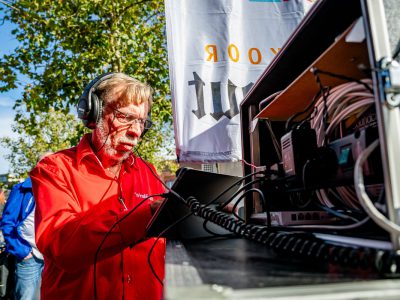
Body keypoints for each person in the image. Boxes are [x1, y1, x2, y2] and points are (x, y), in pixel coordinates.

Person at [30, 73, 166, 300]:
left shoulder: (148, 171)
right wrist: (145, 216)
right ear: (93, 113)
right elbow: (61, 246)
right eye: (124, 117)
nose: (135, 132)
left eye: (141, 122)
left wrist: (203, 214)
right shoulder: (55, 169)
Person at [1, 177, 44, 300]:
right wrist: (22, 250)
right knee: (26, 297)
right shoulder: (21, 189)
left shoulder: (60, 188)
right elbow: (7, 223)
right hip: (30, 256)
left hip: (52, 257)